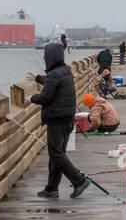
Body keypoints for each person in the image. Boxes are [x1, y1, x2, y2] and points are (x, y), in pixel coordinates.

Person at [30, 41, 90, 199]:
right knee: (57, 154)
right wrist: (37, 78)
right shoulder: (65, 71)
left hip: (57, 120)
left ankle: (79, 181)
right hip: (68, 119)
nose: (44, 59)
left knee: (56, 154)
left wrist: (31, 98)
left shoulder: (55, 74)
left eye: (46, 56)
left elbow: (45, 96)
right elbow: (52, 83)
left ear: (50, 57)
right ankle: (51, 188)